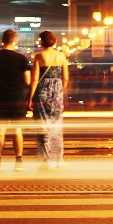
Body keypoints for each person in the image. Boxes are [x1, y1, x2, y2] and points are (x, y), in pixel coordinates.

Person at [0, 29, 31, 171]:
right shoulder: (21, 58)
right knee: (17, 131)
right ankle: (19, 162)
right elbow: (28, 81)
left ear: (1, 41)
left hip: (0, 98)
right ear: (14, 41)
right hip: (17, 98)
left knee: (0, 131)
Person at [29, 30, 70, 169]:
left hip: (42, 94)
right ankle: (59, 160)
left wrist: (30, 98)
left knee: (43, 128)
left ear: (41, 41)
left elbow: (34, 79)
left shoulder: (39, 56)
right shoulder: (61, 56)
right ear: (54, 40)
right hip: (57, 94)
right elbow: (65, 78)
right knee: (57, 128)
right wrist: (60, 91)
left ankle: (45, 161)